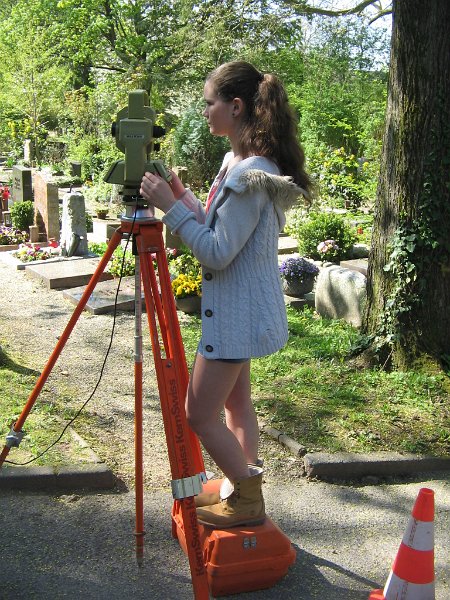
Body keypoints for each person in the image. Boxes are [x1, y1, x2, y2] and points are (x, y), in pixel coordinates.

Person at [140, 60, 311, 529]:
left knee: (197, 413)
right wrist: (182, 196)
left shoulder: (249, 174)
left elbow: (216, 252)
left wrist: (170, 209)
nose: (205, 111)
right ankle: (240, 484)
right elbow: (219, 225)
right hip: (245, 311)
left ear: (235, 107)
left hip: (235, 317)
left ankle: (247, 494)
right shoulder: (236, 163)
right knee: (236, 404)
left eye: (209, 103)